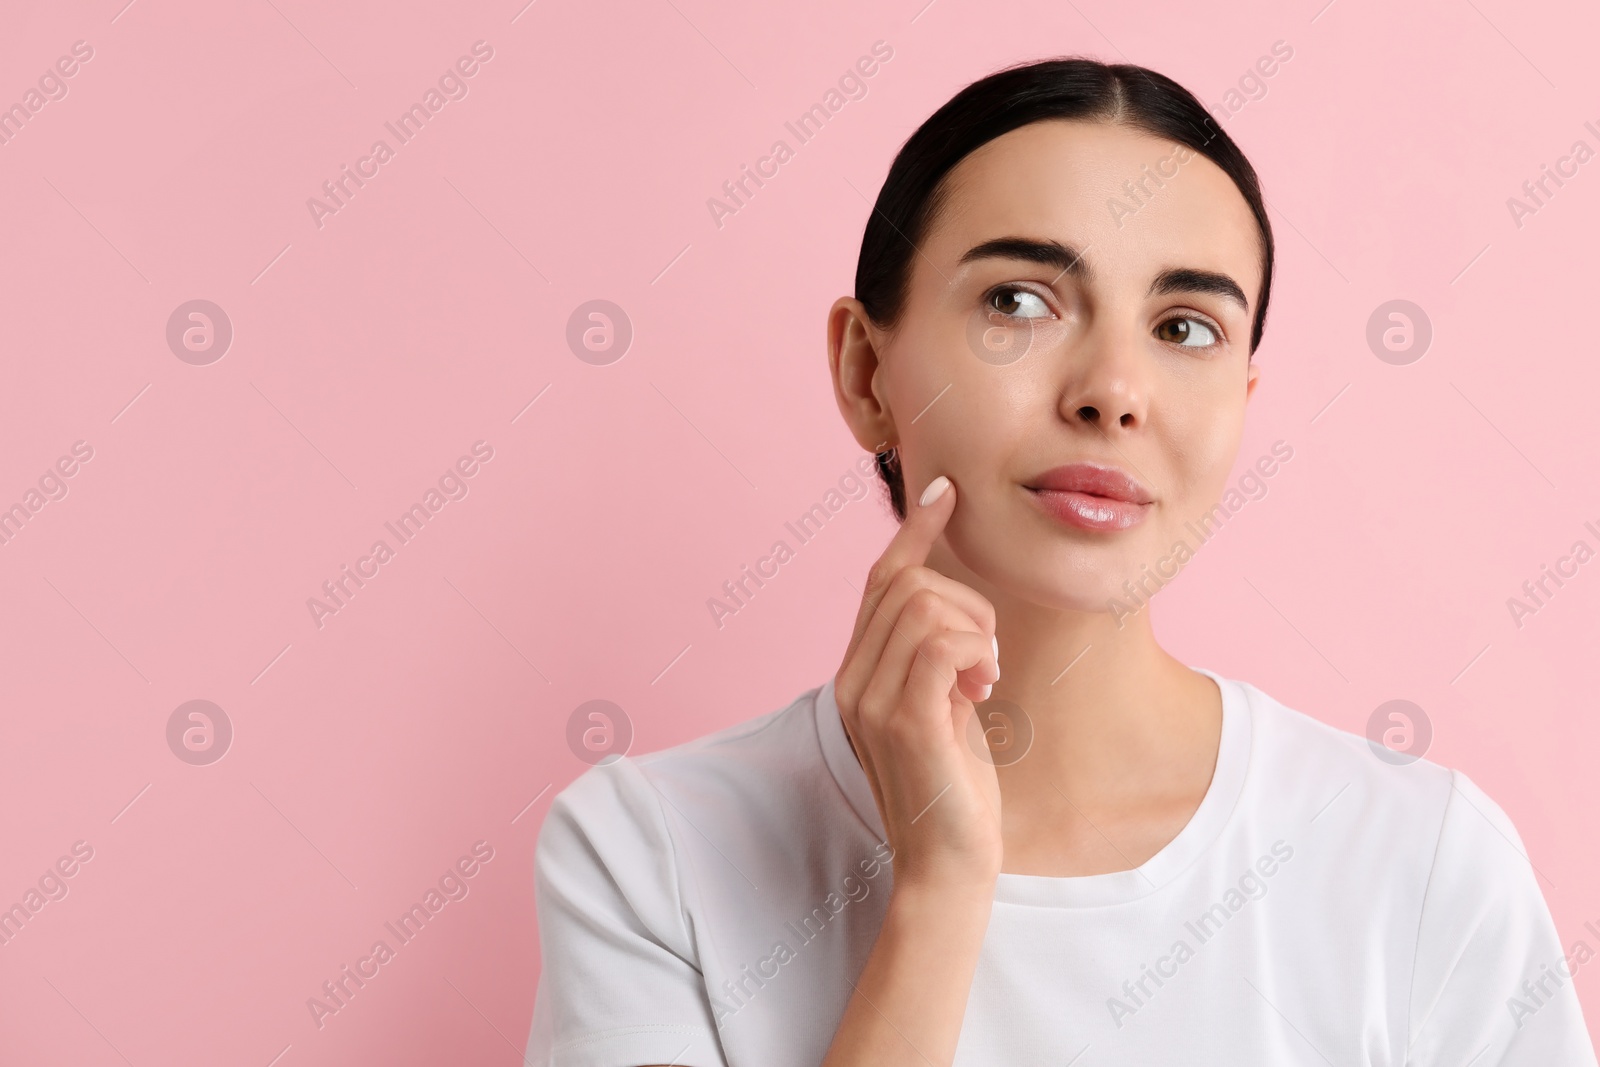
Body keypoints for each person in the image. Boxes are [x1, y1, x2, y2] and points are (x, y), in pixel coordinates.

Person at [523, 56, 1598, 1066]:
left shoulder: (1419, 862)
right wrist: (940, 891)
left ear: (1240, 404)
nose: (1113, 389)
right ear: (864, 370)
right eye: (1018, 302)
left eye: (1185, 327)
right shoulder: (647, 856)